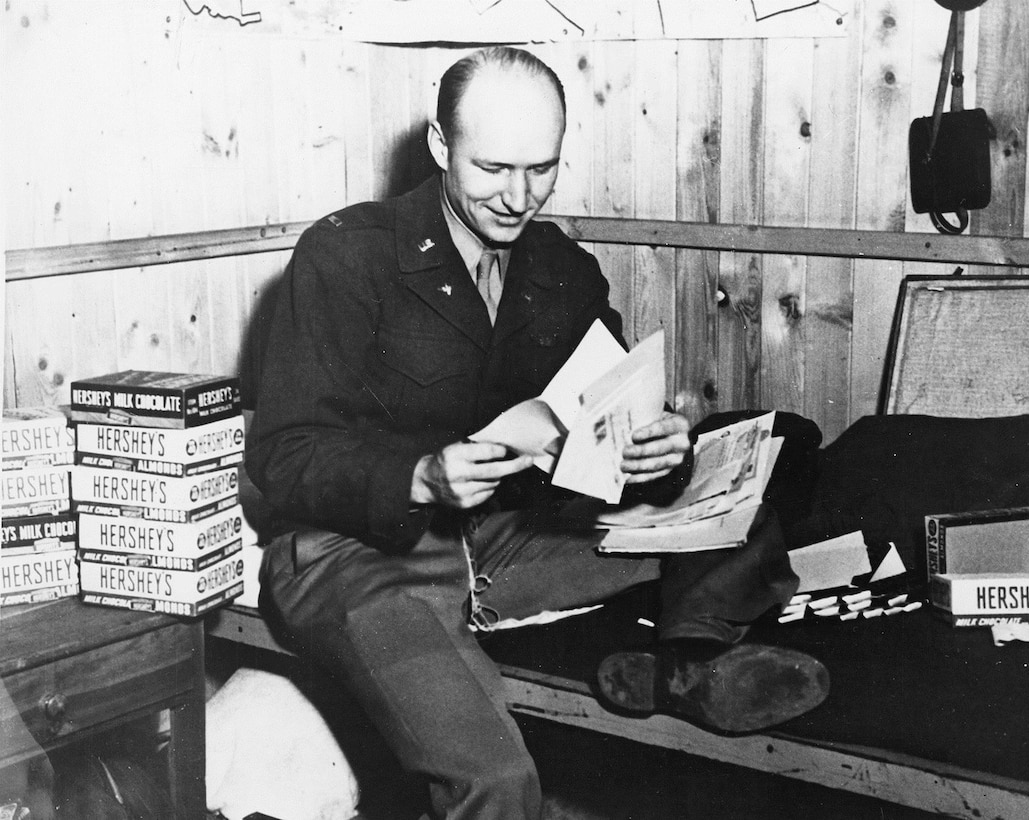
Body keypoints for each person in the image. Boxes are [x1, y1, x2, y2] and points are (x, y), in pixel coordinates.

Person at [247, 45, 828, 820]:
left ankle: (683, 661)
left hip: (503, 539)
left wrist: (656, 450)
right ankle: (683, 658)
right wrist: (420, 475)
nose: (519, 197)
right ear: (438, 146)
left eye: (541, 169)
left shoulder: (561, 269)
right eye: (492, 169)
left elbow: (607, 420)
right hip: (357, 557)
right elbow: (282, 458)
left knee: (741, 511)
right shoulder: (347, 255)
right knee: (494, 775)